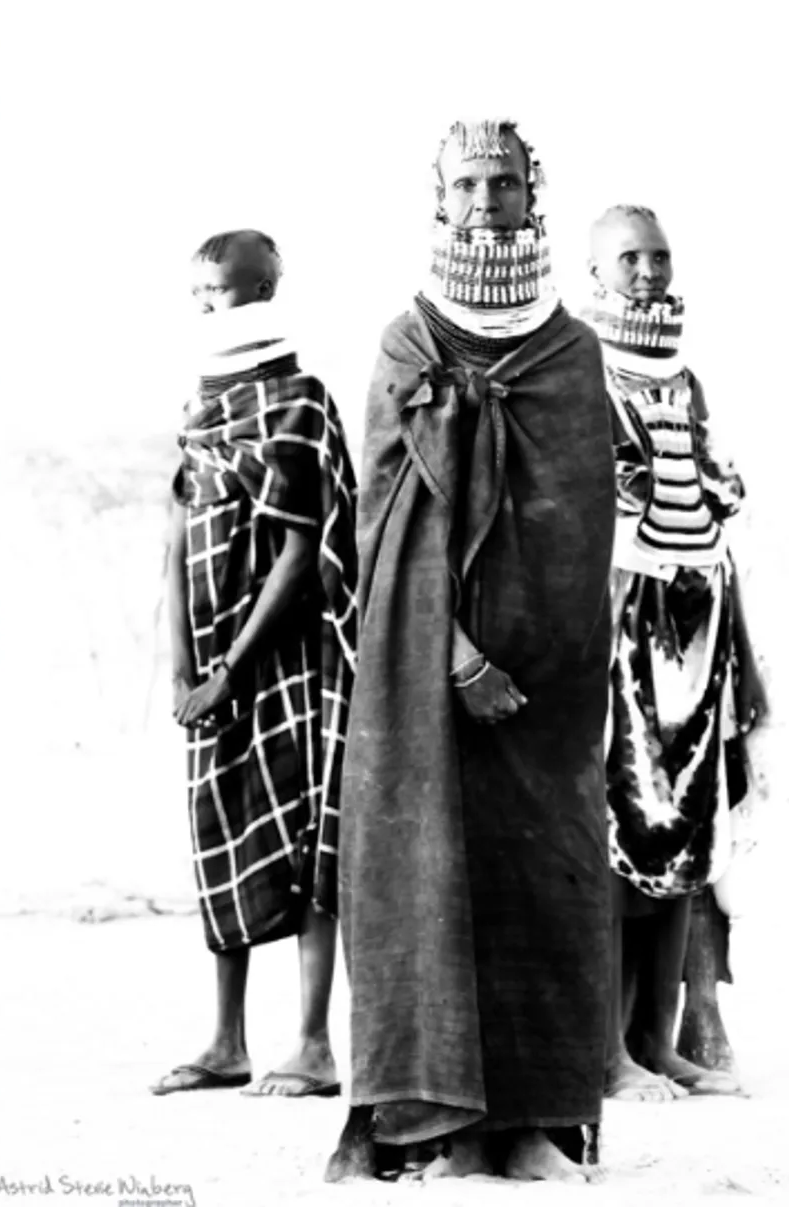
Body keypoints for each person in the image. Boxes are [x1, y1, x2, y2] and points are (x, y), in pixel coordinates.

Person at [325, 119, 616, 1184]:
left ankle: (535, 1121)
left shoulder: (571, 351)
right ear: (435, 202)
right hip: (428, 684)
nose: (485, 200)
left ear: (532, 197)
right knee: (423, 876)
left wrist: (531, 666)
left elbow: (581, 528)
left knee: (544, 878)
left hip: (548, 692)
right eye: (466, 184)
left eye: (503, 182)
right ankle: (434, 1129)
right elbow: (383, 530)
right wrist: (452, 657)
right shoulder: (408, 344)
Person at [151, 230, 358, 1099]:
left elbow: (303, 554)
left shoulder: (299, 401)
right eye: (199, 292)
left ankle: (311, 1043)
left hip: (284, 660)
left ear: (266, 289)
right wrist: (179, 667)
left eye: (222, 290)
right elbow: (176, 534)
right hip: (209, 663)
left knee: (307, 840)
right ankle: (226, 1040)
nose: (207, 305)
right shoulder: (200, 407)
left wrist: (230, 668)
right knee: (219, 827)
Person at [583, 205, 768, 1102]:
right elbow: (603, 514)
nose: (648, 273)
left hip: (698, 619)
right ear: (595, 275)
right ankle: (611, 1051)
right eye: (629, 259)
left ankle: (659, 1042)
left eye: (658, 257)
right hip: (623, 623)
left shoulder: (683, 379)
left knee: (685, 836)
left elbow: (721, 488)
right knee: (625, 831)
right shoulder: (590, 371)